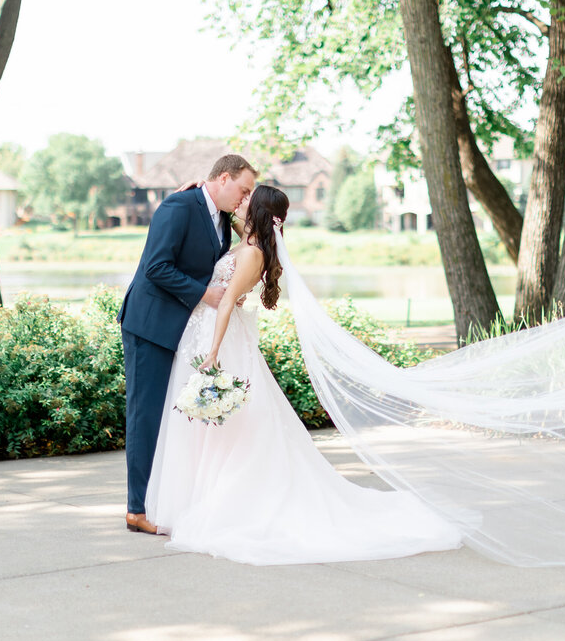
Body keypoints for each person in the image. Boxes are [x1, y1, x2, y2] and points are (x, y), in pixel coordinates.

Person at [145, 184, 463, 564]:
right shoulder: (248, 244)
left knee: (229, 428)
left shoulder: (251, 253)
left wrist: (213, 353)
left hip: (220, 339)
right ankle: (198, 498)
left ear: (258, 210)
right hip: (209, 332)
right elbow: (212, 207)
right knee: (215, 427)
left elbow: (227, 301)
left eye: (248, 198)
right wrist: (195, 188)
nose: (241, 200)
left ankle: (225, 502)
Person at [118, 154, 256, 535]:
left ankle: (164, 499)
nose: (245, 198)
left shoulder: (222, 217)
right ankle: (136, 509)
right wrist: (205, 295)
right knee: (145, 415)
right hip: (150, 325)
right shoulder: (178, 205)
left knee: (170, 416)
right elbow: (156, 267)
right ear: (223, 178)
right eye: (242, 189)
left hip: (182, 328)